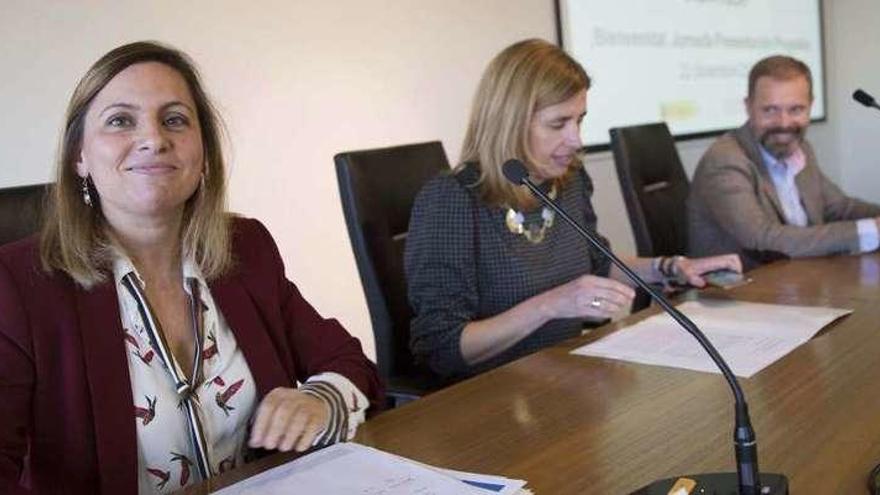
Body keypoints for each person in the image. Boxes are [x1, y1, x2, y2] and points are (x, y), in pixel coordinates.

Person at [0, 41, 382, 495]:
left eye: (175, 119)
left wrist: (320, 401)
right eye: (121, 120)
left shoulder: (246, 249)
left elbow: (349, 361)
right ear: (78, 157)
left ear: (203, 153)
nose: (154, 138)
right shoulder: (20, 285)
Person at [404, 39, 741, 381]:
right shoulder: (452, 199)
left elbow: (599, 264)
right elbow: (441, 348)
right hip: (490, 393)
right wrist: (550, 305)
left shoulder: (568, 179)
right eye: (558, 124)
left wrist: (671, 267)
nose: (576, 139)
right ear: (509, 121)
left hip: (563, 372)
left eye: (579, 120)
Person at [688, 55, 880, 269]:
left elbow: (841, 208)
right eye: (770, 110)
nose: (784, 123)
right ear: (748, 107)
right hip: (741, 292)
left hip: (797, 280)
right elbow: (762, 239)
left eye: (796, 109)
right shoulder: (725, 161)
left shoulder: (801, 149)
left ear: (810, 107)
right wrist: (872, 230)